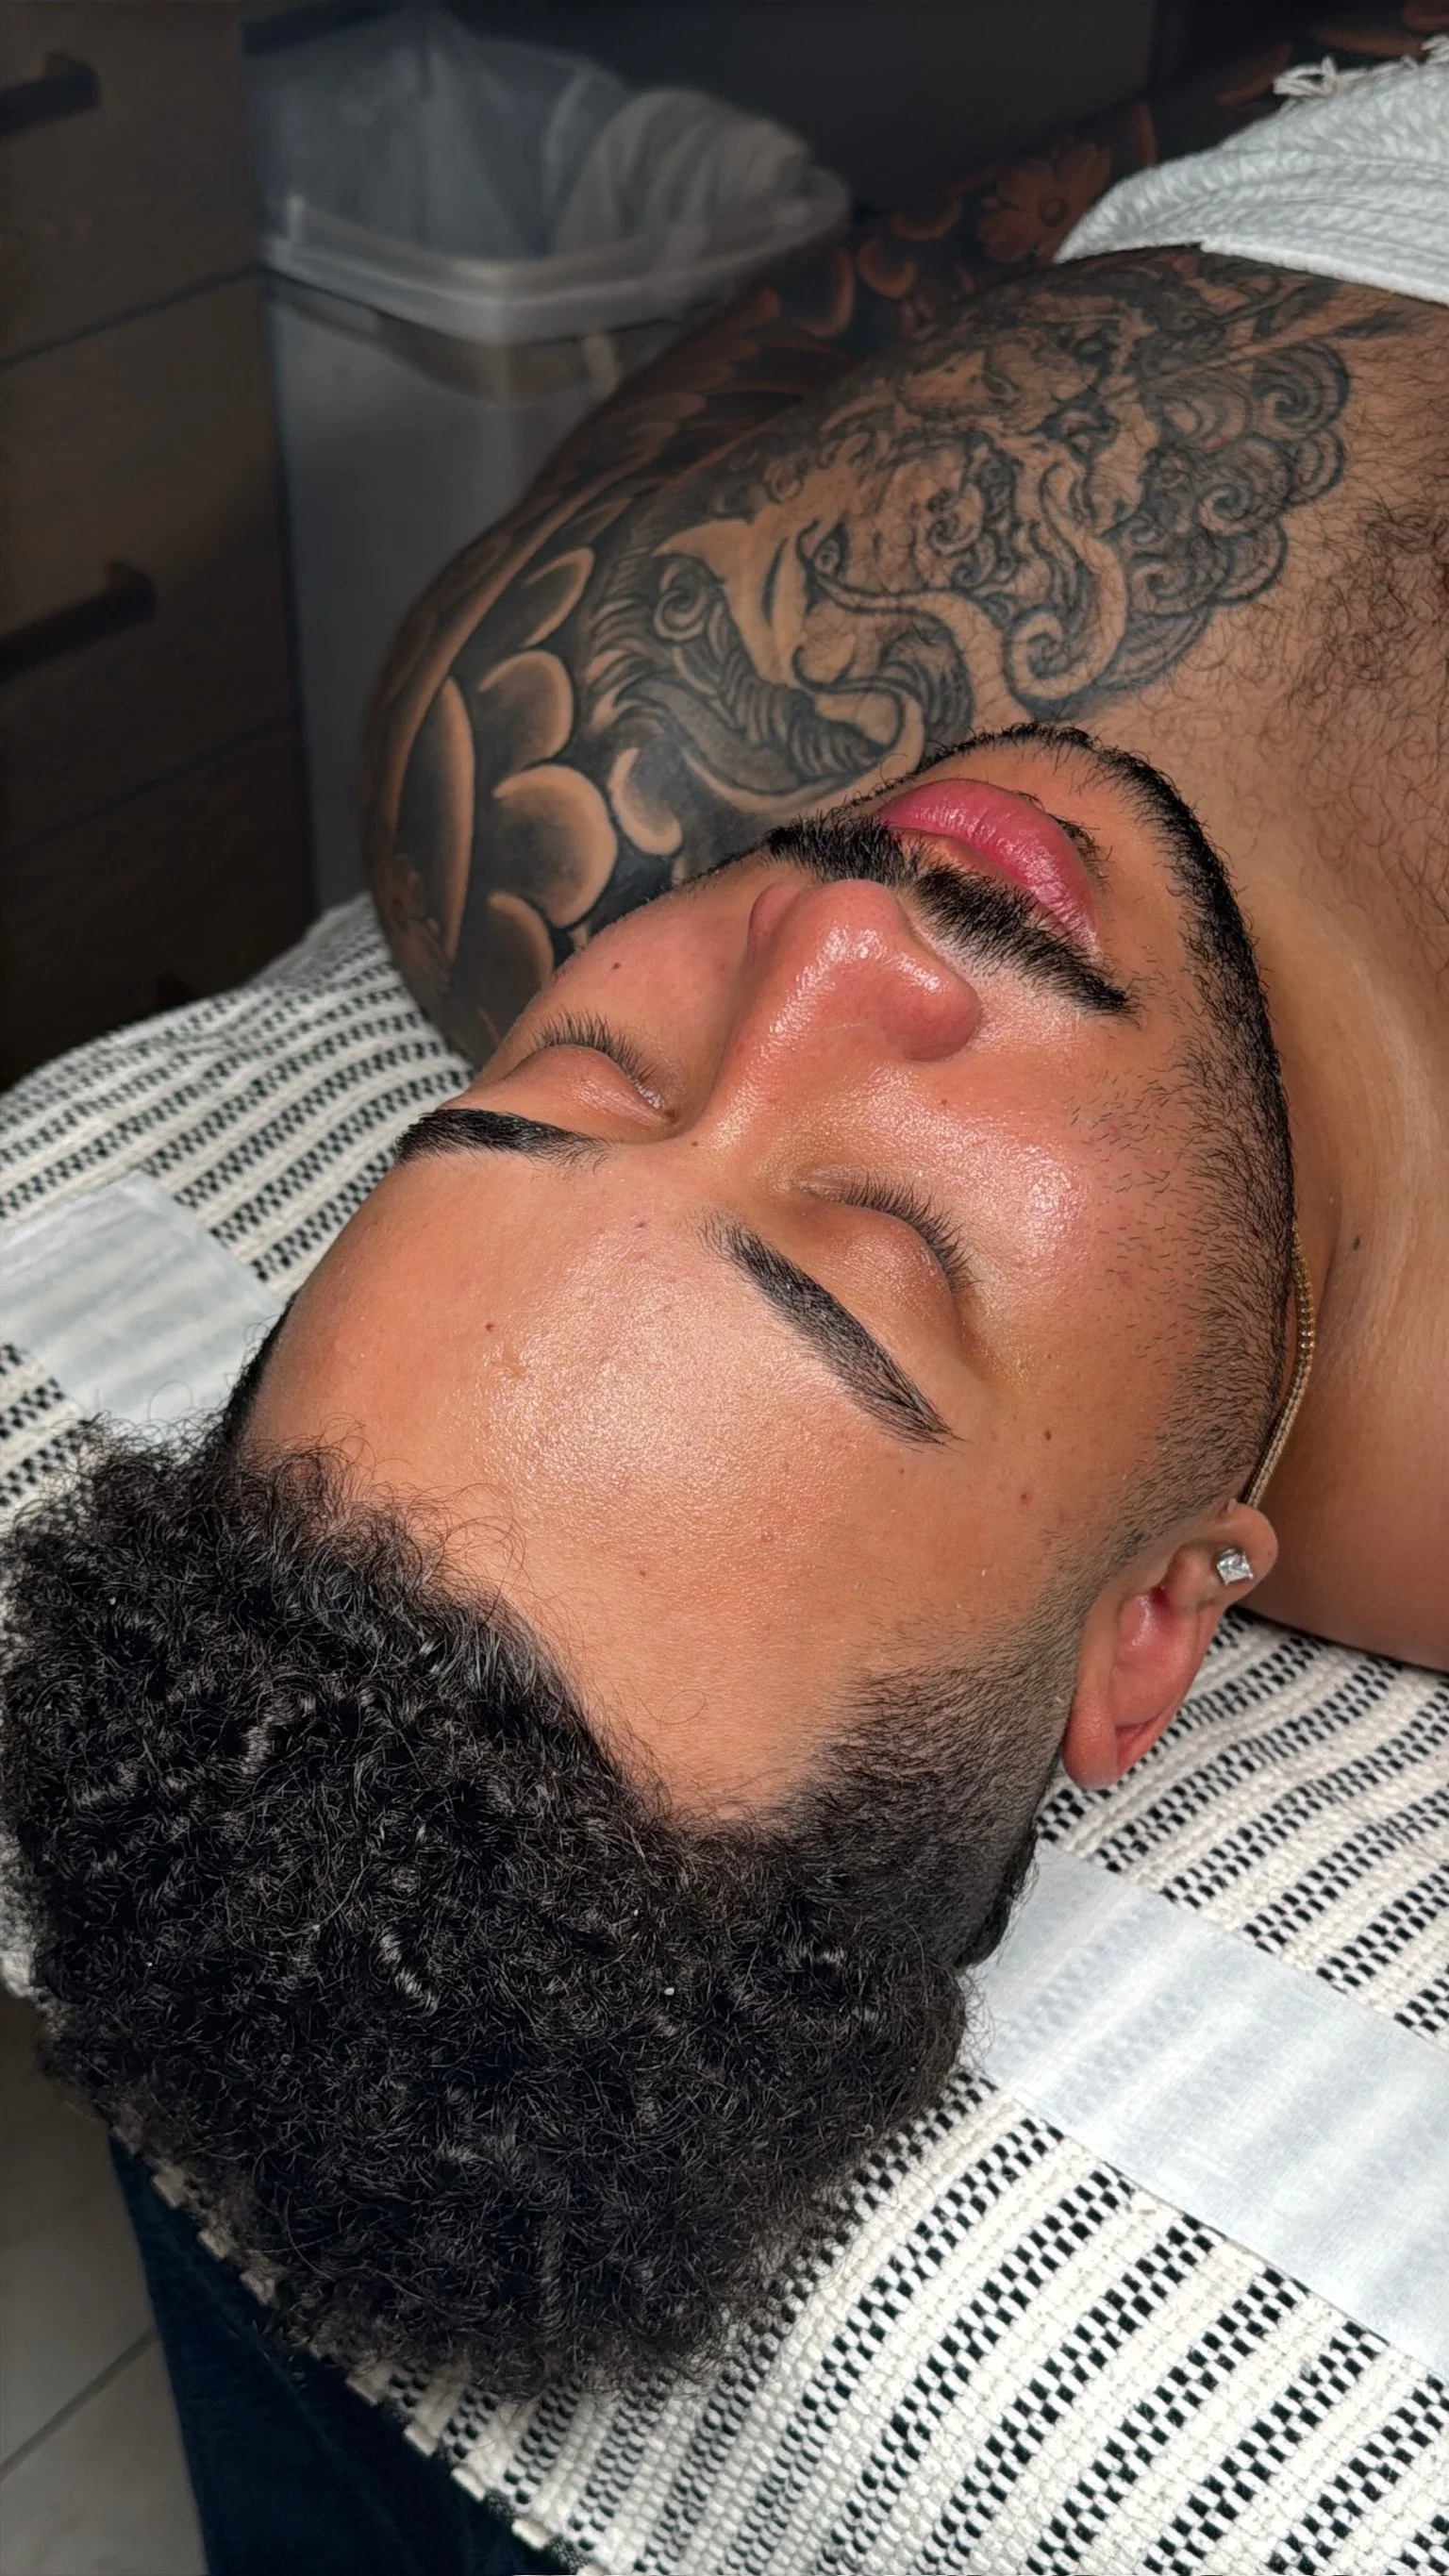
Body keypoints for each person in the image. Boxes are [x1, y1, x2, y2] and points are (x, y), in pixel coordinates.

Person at [1, 27, 1445, 2557]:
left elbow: (861, 322)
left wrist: (1252, 93)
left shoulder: (533, 754)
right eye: (884, 1246)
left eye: (575, 1077)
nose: (830, 943)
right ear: (1151, 1632)